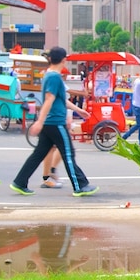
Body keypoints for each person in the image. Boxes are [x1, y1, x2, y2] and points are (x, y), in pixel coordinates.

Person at [10, 47, 98, 197]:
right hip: (55, 122)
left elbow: (59, 99)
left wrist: (78, 110)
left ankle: (20, 182)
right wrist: (40, 121)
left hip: (49, 123)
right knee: (68, 153)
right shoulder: (54, 77)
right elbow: (50, 99)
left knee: (38, 154)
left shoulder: (49, 75)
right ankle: (80, 185)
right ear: (64, 60)